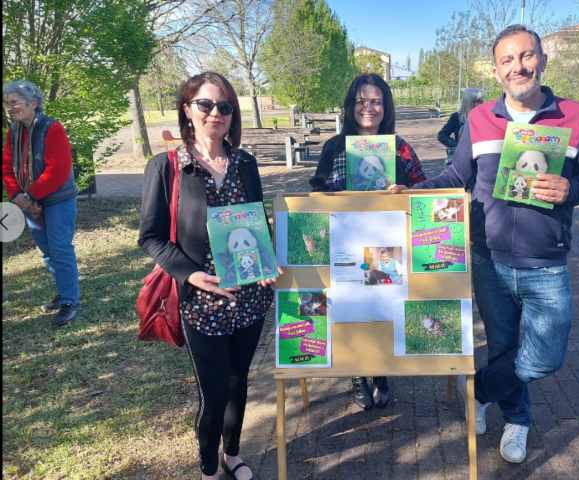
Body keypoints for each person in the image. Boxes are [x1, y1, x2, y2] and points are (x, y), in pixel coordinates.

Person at [391, 24, 579, 464]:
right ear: (496, 69)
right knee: (505, 346)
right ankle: (518, 421)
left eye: (526, 56)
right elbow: (456, 177)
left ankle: (480, 389)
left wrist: (571, 189)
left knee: (546, 355)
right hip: (489, 259)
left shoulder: (576, 115)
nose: (518, 66)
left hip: (546, 261)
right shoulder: (480, 118)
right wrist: (414, 192)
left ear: (542, 60)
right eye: (507, 60)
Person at [139, 71, 280, 480]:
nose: (216, 113)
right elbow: (149, 237)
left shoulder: (245, 163)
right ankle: (207, 468)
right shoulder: (167, 167)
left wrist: (267, 263)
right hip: (202, 302)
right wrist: (191, 276)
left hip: (251, 296)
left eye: (225, 107)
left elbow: (258, 223)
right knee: (214, 392)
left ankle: (231, 455)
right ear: (187, 109)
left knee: (239, 383)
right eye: (206, 105)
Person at [310, 72, 426, 411]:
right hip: (345, 244)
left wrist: (406, 191)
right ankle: (358, 373)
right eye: (361, 101)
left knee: (381, 305)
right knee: (350, 306)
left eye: (376, 101)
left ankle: (381, 369)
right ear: (351, 105)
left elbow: (423, 186)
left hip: (386, 244)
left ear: (385, 106)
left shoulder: (400, 147)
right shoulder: (334, 146)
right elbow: (316, 190)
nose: (368, 108)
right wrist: (333, 195)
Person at [2, 80, 81, 326]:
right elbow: (6, 167)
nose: (9, 108)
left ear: (33, 103)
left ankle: (70, 301)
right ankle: (64, 291)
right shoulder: (13, 131)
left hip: (57, 200)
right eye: (7, 103)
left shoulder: (52, 128)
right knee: (47, 252)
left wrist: (31, 197)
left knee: (60, 249)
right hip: (29, 202)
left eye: (14, 102)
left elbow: (57, 170)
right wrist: (17, 197)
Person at [437, 88, 484, 165]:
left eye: (482, 101)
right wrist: (457, 146)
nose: (482, 103)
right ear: (469, 102)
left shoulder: (485, 117)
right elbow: (442, 135)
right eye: (478, 101)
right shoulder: (456, 117)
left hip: (481, 160)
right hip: (462, 161)